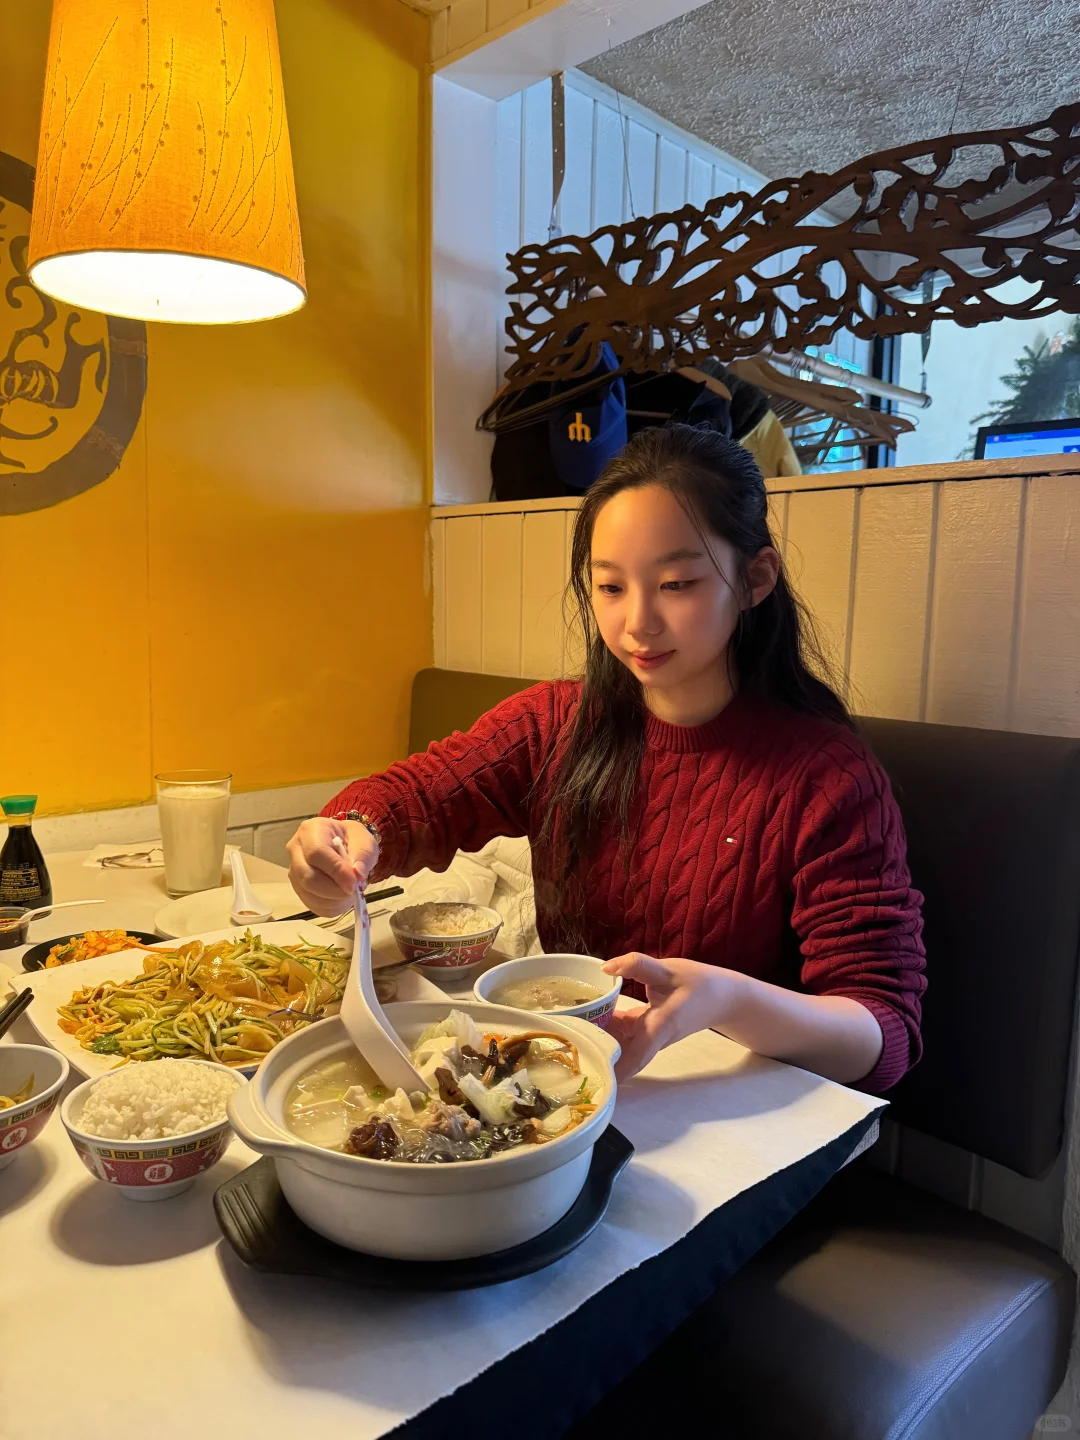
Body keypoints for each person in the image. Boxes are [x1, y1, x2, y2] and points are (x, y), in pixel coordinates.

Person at [288, 425, 925, 1089]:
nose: (637, 622)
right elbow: (420, 795)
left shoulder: (827, 779)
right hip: (569, 1088)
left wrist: (728, 1000)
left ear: (754, 578)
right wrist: (345, 838)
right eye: (611, 587)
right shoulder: (555, 723)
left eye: (677, 583)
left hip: (735, 1108)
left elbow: (883, 1037)